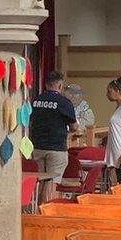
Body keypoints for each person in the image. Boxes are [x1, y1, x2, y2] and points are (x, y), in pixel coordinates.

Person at [29, 71, 79, 203]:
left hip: (37, 147)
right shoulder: (64, 103)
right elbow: (74, 127)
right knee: (52, 182)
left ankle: (36, 210)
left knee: (39, 180)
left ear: (45, 84)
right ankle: (46, 211)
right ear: (60, 85)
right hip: (56, 148)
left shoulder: (35, 101)